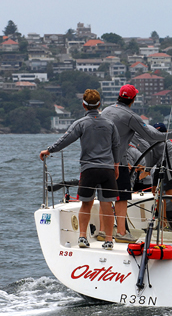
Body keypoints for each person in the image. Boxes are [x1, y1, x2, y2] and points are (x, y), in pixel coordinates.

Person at [101, 84, 172, 243]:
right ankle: (122, 233)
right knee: (122, 198)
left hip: (102, 161)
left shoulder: (105, 111)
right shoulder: (130, 116)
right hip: (119, 163)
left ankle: (103, 231)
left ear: (119, 96)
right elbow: (151, 135)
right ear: (133, 99)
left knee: (105, 197)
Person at [39, 89, 119, 250]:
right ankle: (109, 240)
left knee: (86, 204)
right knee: (106, 205)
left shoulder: (81, 123)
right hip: (107, 170)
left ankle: (82, 237)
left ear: (84, 105)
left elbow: (65, 139)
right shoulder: (110, 124)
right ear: (100, 104)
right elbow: (116, 145)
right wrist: (116, 166)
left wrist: (49, 150)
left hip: (89, 169)